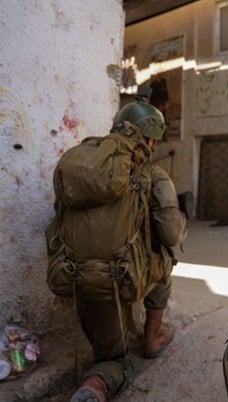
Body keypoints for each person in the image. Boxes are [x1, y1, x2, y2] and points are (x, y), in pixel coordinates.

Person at [50, 101, 188, 402]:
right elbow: (171, 233)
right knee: (165, 259)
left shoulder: (81, 166)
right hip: (121, 279)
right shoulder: (153, 173)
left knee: (109, 357)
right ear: (150, 138)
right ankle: (152, 337)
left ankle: (96, 383)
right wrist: (183, 219)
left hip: (72, 276)